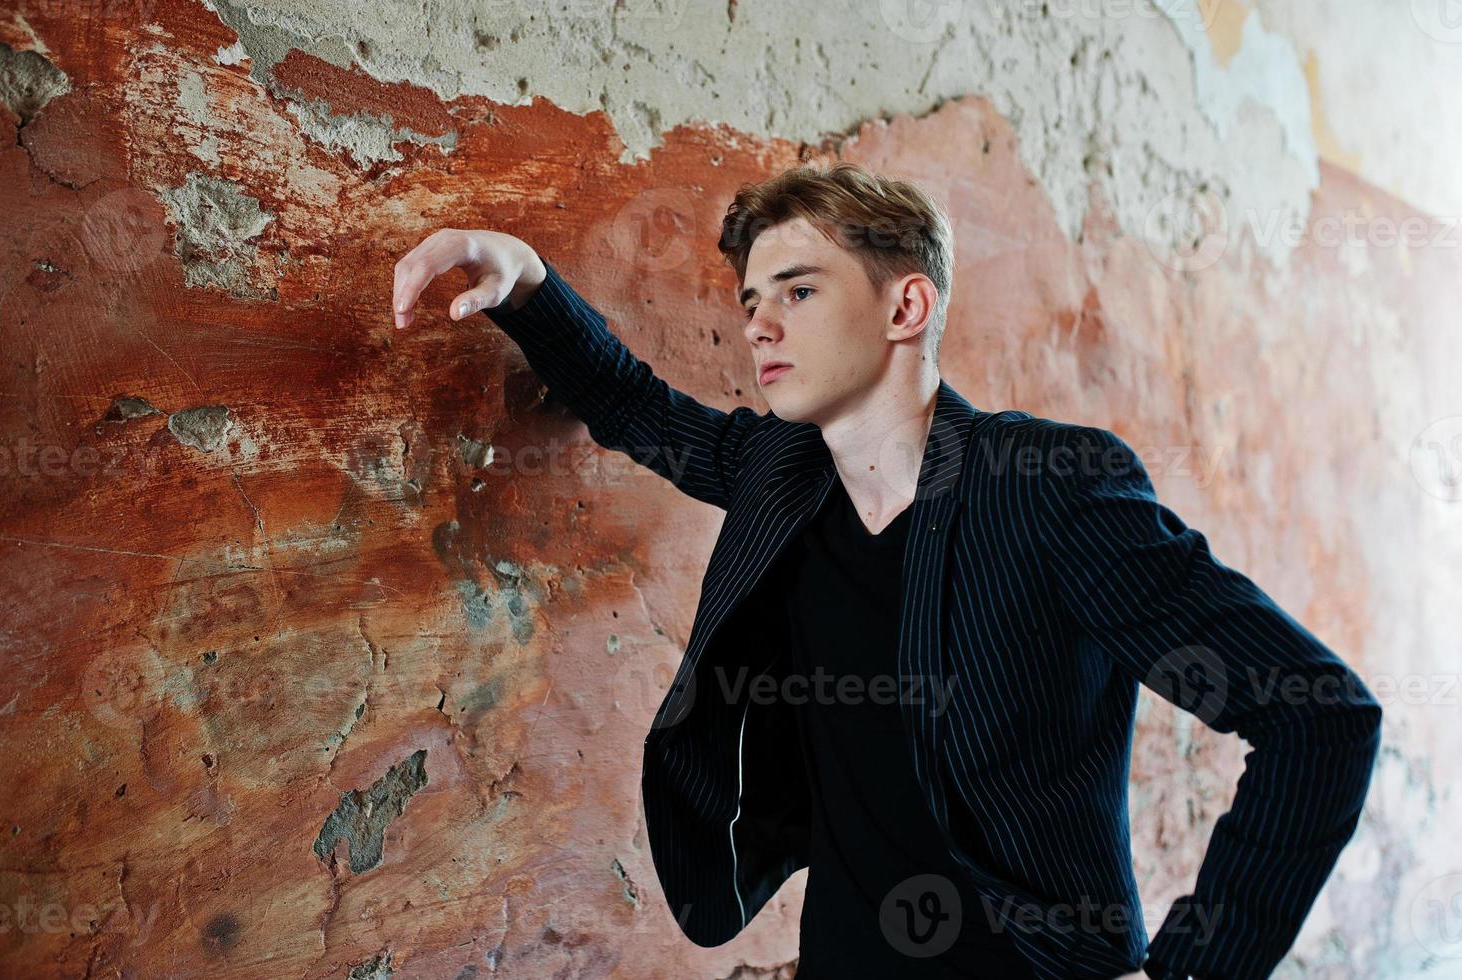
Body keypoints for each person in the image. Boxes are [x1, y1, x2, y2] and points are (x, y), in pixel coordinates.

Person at [390, 162, 1382, 980]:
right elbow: (640, 406)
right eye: (751, 299)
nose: (759, 324)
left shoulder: (1051, 488)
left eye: (799, 289)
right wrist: (523, 281)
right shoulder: (780, 472)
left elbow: (1320, 714)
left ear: (906, 303)